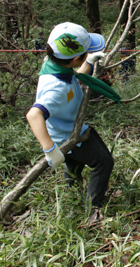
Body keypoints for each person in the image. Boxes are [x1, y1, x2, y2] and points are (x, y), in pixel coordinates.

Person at [25, 22, 115, 223]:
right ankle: (94, 210)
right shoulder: (56, 89)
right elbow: (33, 115)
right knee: (103, 161)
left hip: (65, 127)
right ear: (75, 59)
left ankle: (72, 195)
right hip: (68, 134)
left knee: (73, 164)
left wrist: (89, 61)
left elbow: (76, 76)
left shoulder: (53, 64)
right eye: (86, 52)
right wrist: (50, 150)